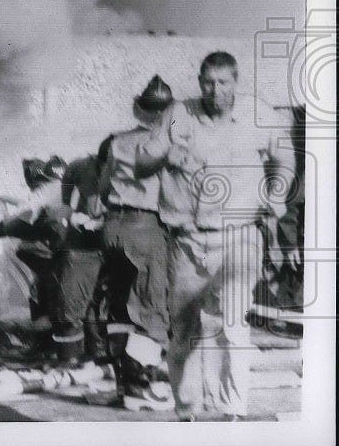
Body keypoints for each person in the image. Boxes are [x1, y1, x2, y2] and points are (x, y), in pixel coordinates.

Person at [137, 52, 296, 421]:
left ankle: (232, 415)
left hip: (239, 237)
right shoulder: (178, 113)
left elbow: (285, 160)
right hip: (189, 242)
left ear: (236, 82)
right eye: (208, 82)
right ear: (199, 81)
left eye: (223, 82)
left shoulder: (258, 114)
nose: (215, 90)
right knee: (184, 333)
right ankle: (189, 412)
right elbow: (143, 164)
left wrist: (276, 191)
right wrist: (165, 155)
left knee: (232, 327)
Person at [98, 75, 175, 408]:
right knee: (151, 310)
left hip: (113, 226)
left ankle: (121, 384)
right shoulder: (168, 144)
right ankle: (139, 388)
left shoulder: (115, 141)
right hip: (146, 228)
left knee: (118, 310)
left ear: (140, 109)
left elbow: (101, 189)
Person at [0, 155, 68, 358]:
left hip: (58, 258)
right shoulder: (62, 192)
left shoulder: (48, 197)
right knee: (43, 297)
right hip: (52, 258)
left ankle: (53, 347)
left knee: (55, 306)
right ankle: (48, 347)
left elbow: (23, 220)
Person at [50, 141, 112, 367]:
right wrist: (69, 211)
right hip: (83, 242)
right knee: (72, 300)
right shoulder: (80, 166)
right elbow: (67, 188)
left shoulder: (130, 170)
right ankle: (70, 357)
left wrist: (105, 222)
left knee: (103, 301)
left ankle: (99, 350)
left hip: (116, 239)